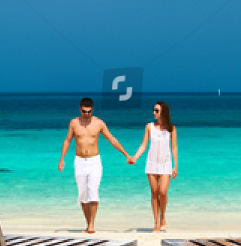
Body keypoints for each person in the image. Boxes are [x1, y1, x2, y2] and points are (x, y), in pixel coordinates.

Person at [58, 97, 134, 233]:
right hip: (80, 161)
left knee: (93, 191)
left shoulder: (99, 123)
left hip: (94, 161)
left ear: (92, 110)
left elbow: (111, 139)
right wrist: (62, 159)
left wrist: (126, 154)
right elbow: (67, 140)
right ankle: (88, 224)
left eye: (89, 111)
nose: (86, 114)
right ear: (79, 109)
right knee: (82, 193)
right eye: (84, 111)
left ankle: (92, 225)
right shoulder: (74, 123)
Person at [131, 100, 178, 232]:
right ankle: (156, 222)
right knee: (154, 193)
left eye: (156, 110)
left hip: (165, 163)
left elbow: (174, 147)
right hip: (151, 163)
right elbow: (144, 145)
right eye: (154, 110)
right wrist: (135, 157)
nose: (154, 112)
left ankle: (163, 216)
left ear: (163, 112)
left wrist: (176, 166)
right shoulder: (149, 126)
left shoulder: (171, 128)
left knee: (163, 192)